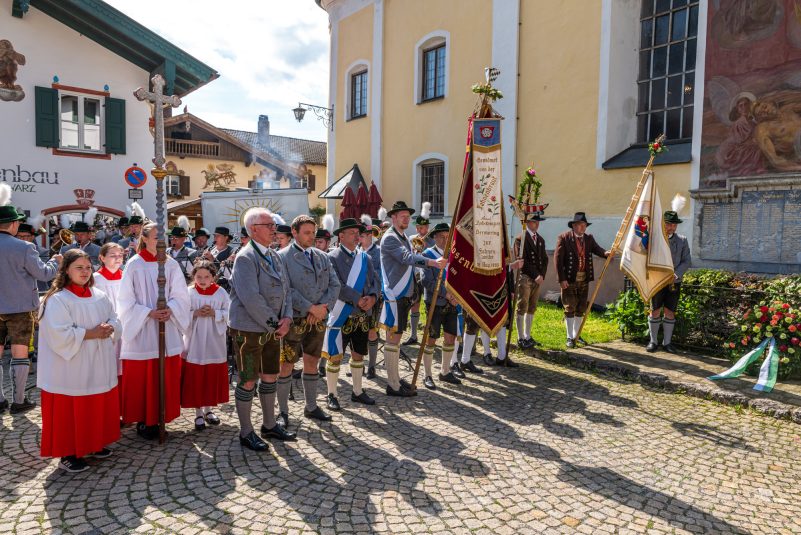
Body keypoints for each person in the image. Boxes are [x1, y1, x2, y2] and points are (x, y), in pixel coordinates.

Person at [37, 249, 120, 473]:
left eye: (88, 268)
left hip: (97, 362)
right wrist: (92, 333)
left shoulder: (99, 295)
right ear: (66, 270)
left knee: (94, 403)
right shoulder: (57, 299)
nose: (85, 272)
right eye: (79, 268)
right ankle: (68, 453)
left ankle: (93, 443)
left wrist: (111, 327)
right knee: (71, 408)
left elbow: (114, 318)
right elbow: (58, 334)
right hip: (69, 367)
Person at [228, 208, 295, 451]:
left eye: (273, 225)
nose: (273, 229)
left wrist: (287, 317)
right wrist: (275, 324)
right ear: (254, 229)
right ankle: (246, 432)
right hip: (249, 330)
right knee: (248, 379)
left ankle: (269, 424)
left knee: (270, 375)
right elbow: (251, 298)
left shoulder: (273, 255)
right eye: (269, 225)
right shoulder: (246, 258)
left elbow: (286, 289)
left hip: (272, 329)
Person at [117, 222, 191, 440]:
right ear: (145, 238)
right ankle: (144, 420)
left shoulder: (171, 264)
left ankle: (161, 417)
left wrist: (171, 309)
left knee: (164, 375)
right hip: (142, 330)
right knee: (144, 377)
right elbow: (125, 300)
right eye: (156, 237)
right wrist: (147, 313)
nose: (161, 242)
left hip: (166, 326)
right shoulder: (134, 265)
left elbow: (181, 295)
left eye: (163, 238)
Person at [379, 201, 446, 397]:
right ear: (393, 218)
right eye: (402, 216)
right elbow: (406, 258)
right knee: (393, 339)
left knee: (397, 338)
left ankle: (395, 378)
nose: (406, 219)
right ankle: (392, 384)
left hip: (404, 295)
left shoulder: (403, 237)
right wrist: (433, 262)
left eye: (408, 216)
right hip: (395, 295)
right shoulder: (390, 238)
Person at [279, 215, 341, 423]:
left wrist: (324, 308)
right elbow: (286, 289)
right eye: (306, 232)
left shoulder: (322, 256)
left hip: (319, 318)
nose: (311, 236)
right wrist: (311, 308)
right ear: (294, 232)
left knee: (312, 360)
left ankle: (311, 406)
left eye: (313, 232)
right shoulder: (282, 257)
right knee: (286, 364)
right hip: (294, 318)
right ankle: (282, 411)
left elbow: (335, 284)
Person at [0, 200, 61, 414]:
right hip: (21, 306)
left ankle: (0, 400)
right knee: (20, 353)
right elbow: (44, 274)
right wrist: (56, 261)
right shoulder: (25, 247)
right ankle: (18, 401)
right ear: (13, 224)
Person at [323, 218, 379, 409]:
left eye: (358, 233)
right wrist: (358, 299)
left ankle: (357, 391)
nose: (357, 236)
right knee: (335, 356)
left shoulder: (365, 258)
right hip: (342, 314)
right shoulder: (332, 257)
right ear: (341, 235)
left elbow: (376, 281)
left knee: (358, 355)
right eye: (353, 233)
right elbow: (336, 284)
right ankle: (332, 394)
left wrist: (372, 297)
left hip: (362, 315)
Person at [181, 260, 231, 430]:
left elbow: (230, 312)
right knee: (196, 375)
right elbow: (180, 313)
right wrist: (194, 313)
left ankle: (208, 410)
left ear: (213, 277)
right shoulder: (189, 293)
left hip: (214, 340)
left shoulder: (220, 292)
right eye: (199, 276)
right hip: (194, 339)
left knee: (210, 374)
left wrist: (215, 313)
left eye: (206, 276)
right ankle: (198, 413)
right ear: (193, 276)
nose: (202, 280)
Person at [555, 212, 610, 348]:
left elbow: (597, 249)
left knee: (581, 307)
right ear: (574, 225)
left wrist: (606, 253)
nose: (583, 227)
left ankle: (576, 335)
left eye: (584, 225)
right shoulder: (564, 238)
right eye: (580, 225)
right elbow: (558, 260)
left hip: (584, 279)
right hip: (569, 279)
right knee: (570, 307)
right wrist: (562, 279)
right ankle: (569, 337)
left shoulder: (588, 239)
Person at [420, 223, 461, 388]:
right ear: (435, 237)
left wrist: (457, 296)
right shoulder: (427, 254)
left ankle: (445, 371)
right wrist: (447, 294)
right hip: (435, 303)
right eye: (442, 237)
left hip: (452, 303)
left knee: (450, 337)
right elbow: (426, 281)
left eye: (447, 236)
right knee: (431, 338)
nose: (445, 240)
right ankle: (427, 374)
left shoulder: (454, 255)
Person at [647, 208, 691, 354]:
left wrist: (676, 275)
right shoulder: (654, 239)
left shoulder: (682, 240)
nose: (671, 227)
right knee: (655, 310)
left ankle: (667, 343)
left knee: (669, 311)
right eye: (668, 224)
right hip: (657, 281)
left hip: (674, 282)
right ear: (662, 224)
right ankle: (653, 342)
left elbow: (686, 261)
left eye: (674, 224)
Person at [93, 242, 125, 407]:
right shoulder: (96, 279)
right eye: (112, 255)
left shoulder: (126, 276)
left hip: (126, 326)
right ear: (102, 258)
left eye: (120, 255)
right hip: (106, 326)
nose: (117, 258)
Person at [513, 213, 548, 348]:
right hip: (525, 277)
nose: (537, 224)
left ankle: (527, 335)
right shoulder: (520, 239)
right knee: (522, 306)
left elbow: (545, 259)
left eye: (538, 222)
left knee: (532, 307)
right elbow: (521, 261)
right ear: (527, 222)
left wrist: (542, 275)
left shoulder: (540, 239)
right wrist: (536, 275)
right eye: (534, 221)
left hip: (537, 279)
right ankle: (520, 337)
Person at [404, 203, 434, 346]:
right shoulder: (411, 239)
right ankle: (413, 335)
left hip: (428, 277)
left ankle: (429, 336)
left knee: (429, 306)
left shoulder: (432, 241)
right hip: (415, 276)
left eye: (423, 227)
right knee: (414, 305)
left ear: (427, 227)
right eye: (419, 228)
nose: (421, 230)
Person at [358, 217, 383, 379]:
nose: (359, 238)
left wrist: (372, 295)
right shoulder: (356, 251)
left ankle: (372, 366)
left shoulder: (378, 252)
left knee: (372, 331)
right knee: (357, 331)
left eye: (362, 236)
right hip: (357, 299)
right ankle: (358, 364)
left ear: (370, 235)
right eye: (358, 236)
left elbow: (379, 276)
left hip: (373, 297)